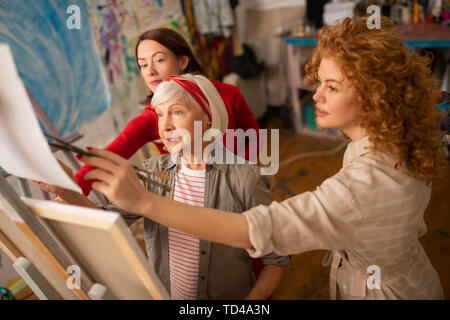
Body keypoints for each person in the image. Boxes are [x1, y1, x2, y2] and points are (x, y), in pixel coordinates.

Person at [77, 16, 445, 300]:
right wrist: (74, 183)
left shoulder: (358, 187)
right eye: (142, 65)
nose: (315, 95)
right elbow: (113, 156)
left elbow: (261, 210)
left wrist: (242, 174)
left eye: (331, 86)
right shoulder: (386, 140)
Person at [36, 74, 289, 300]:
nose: (165, 125)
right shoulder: (151, 170)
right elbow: (108, 221)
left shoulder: (245, 177)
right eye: (159, 114)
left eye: (177, 112)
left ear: (208, 118)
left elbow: (276, 260)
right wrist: (66, 189)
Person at [74, 28, 260, 197]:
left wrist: (240, 181)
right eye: (143, 65)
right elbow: (110, 156)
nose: (150, 72)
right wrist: (70, 191)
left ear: (182, 61)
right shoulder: (149, 119)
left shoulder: (228, 94)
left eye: (159, 60)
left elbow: (254, 139)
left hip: (238, 190)